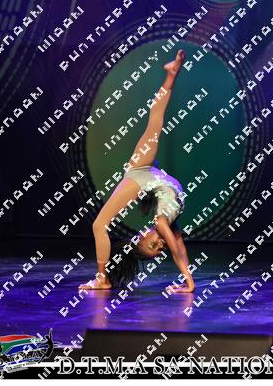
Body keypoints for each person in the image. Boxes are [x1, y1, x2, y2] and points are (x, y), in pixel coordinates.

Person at [79, 50, 194, 295]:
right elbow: (178, 248)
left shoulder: (161, 221)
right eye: (159, 249)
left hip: (146, 176)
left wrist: (188, 281)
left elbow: (177, 249)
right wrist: (189, 281)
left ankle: (103, 279)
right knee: (155, 122)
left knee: (100, 225)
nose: (161, 243)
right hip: (149, 178)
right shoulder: (164, 223)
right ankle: (172, 74)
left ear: (140, 236)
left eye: (153, 245)